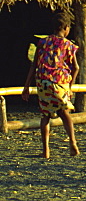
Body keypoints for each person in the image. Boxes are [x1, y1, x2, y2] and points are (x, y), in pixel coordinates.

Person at [21, 12, 80, 158]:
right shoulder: (69, 45)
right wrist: (69, 88)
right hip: (60, 82)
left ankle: (46, 150)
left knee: (45, 115)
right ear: (66, 28)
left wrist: (26, 86)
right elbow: (76, 68)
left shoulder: (42, 42)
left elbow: (34, 65)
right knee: (64, 113)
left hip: (43, 81)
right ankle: (73, 142)